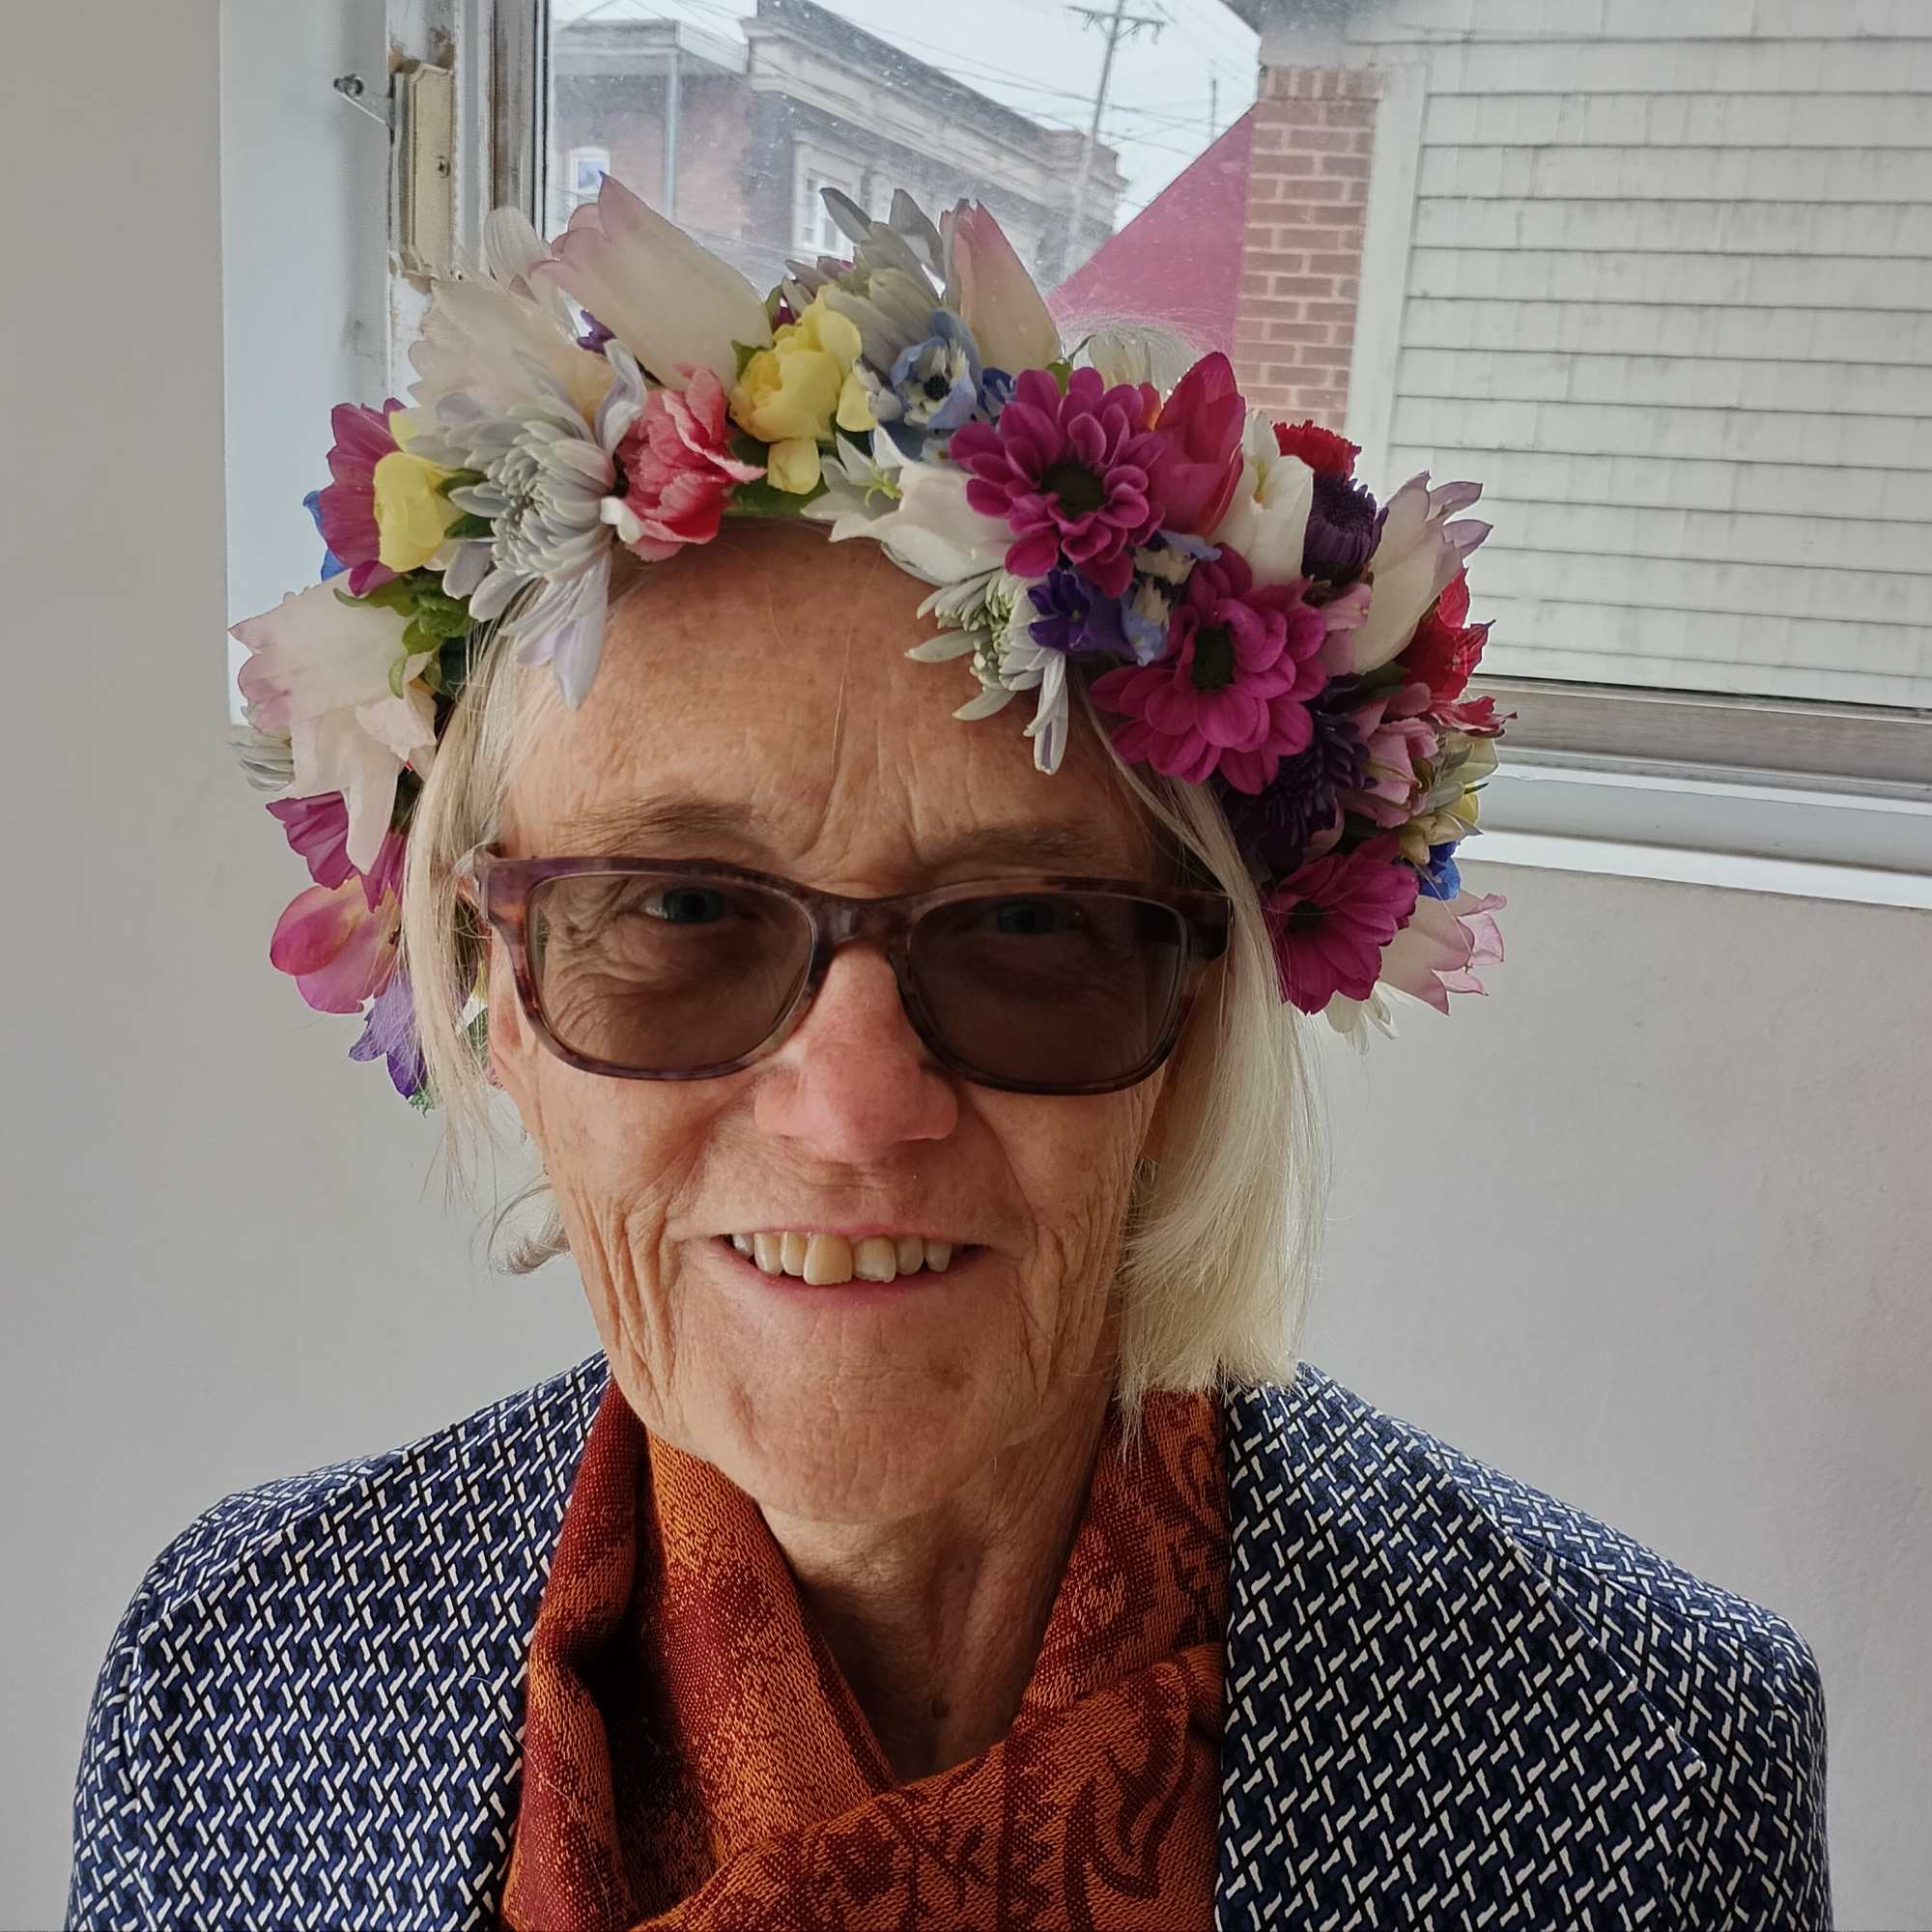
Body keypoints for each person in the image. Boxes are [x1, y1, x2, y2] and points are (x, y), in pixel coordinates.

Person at [66, 177, 1831, 1930]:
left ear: (1193, 1032)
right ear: (497, 1000)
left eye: (1030, 932)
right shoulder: (227, 1692)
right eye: (680, 913)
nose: (853, 1112)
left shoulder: (1656, 1779)